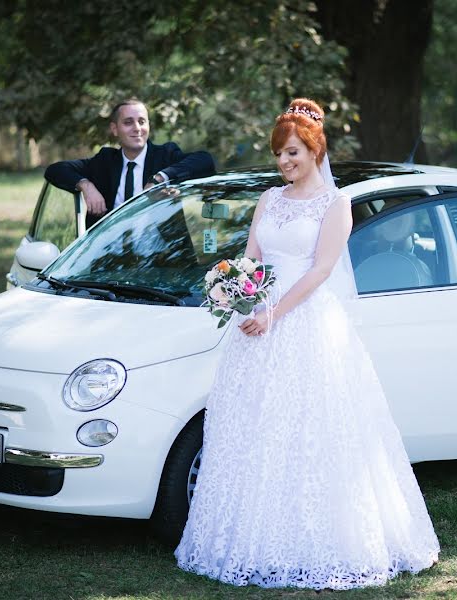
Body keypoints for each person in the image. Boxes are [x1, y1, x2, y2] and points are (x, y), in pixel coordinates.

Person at [174, 99, 439, 590]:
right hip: (258, 324)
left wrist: (276, 311)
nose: (284, 162)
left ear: (315, 150)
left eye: (292, 152)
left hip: (309, 325)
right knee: (256, 429)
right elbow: (253, 255)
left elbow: (320, 270)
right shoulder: (269, 200)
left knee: (313, 433)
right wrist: (238, 292)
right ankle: (250, 537)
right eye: (278, 154)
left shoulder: (335, 205)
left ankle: (318, 539)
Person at [45, 98, 215, 228]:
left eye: (142, 121)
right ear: (114, 129)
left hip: (164, 261)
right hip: (108, 261)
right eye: (128, 122)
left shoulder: (165, 155)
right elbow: (55, 170)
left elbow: (205, 160)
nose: (137, 128)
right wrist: (86, 186)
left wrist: (160, 178)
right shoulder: (104, 161)